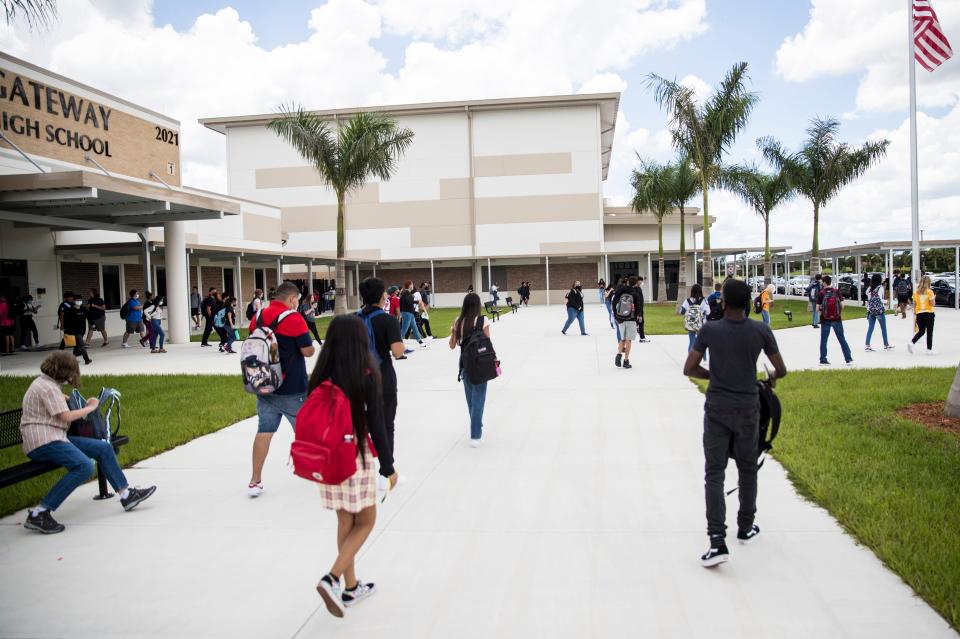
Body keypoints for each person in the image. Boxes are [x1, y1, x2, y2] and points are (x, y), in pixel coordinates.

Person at [683, 278, 787, 568]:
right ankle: (746, 526)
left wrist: (714, 376)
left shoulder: (710, 330)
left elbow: (688, 368)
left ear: (724, 302)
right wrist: (769, 380)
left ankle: (717, 540)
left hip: (717, 409)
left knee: (714, 473)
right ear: (748, 304)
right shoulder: (760, 330)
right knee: (747, 468)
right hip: (748, 409)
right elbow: (780, 369)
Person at [310, 315, 397, 617]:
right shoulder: (366, 373)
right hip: (354, 456)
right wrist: (388, 465)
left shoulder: (322, 373)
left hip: (327, 457)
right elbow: (377, 425)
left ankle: (351, 587)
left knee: (345, 522)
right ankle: (332, 578)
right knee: (367, 521)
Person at [19, 351, 156, 534]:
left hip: (56, 437)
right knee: (84, 467)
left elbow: (63, 402)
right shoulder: (47, 388)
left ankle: (126, 495)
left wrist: (82, 402)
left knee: (103, 448)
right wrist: (90, 408)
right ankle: (40, 512)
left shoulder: (46, 383)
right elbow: (65, 416)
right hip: (43, 443)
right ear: (64, 371)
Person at [247, 282, 316, 497]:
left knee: (264, 431)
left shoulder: (257, 317)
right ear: (293, 299)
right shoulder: (293, 318)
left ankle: (255, 481)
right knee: (306, 432)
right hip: (292, 388)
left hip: (264, 384)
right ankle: (313, 470)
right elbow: (307, 351)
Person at [358, 277, 406, 456]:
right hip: (382, 376)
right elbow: (397, 351)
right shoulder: (388, 320)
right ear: (381, 296)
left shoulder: (353, 318)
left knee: (361, 424)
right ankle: (386, 471)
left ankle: (358, 465)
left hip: (358, 377)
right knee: (386, 424)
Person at [448, 292, 490, 446]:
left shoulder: (458, 321)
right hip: (481, 365)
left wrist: (453, 331)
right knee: (478, 399)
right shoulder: (483, 319)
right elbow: (488, 342)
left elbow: (452, 345)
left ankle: (476, 424)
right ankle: (475, 435)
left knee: (471, 399)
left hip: (465, 365)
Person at [817, 275, 853, 366]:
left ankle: (823, 359)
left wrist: (823, 309)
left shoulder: (821, 293)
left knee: (824, 340)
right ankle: (848, 358)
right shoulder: (836, 291)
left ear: (825, 282)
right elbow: (842, 306)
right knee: (841, 338)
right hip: (837, 319)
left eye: (822, 282)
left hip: (825, 320)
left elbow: (817, 308)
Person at [612, 276, 642, 369]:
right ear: (635, 283)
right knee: (628, 340)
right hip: (631, 319)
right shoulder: (635, 292)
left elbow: (614, 302)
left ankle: (618, 355)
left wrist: (616, 315)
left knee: (622, 339)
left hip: (621, 318)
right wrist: (639, 316)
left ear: (628, 282)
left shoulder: (621, 290)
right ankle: (626, 361)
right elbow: (638, 306)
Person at [908, 275, 936, 355]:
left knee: (921, 331)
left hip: (919, 314)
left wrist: (915, 313)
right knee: (929, 332)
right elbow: (932, 304)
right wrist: (934, 299)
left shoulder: (916, 292)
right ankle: (929, 350)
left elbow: (915, 304)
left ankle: (912, 342)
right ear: (929, 283)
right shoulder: (930, 292)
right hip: (929, 313)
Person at [865, 273, 893, 352]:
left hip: (871, 310)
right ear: (879, 280)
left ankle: (867, 345)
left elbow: (867, 294)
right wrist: (887, 301)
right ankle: (886, 345)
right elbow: (880, 299)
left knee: (870, 328)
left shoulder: (870, 288)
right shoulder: (880, 288)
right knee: (883, 328)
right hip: (879, 311)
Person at [680, 284, 711, 353]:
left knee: (691, 341)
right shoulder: (704, 300)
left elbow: (682, 312)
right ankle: (704, 359)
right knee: (702, 342)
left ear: (692, 291)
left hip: (690, 324)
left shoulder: (687, 301)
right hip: (701, 323)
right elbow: (708, 312)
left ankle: (690, 357)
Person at [62, 294, 92, 365]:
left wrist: (92, 324)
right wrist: (66, 330)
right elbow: (66, 320)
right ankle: (86, 359)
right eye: (78, 300)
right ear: (74, 301)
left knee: (77, 347)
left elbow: (89, 317)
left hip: (82, 331)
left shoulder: (83, 309)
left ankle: (72, 360)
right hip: (74, 331)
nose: (79, 301)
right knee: (81, 345)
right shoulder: (70, 310)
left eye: (80, 300)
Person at [398, 281, 426, 348]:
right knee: (405, 328)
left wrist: (415, 301)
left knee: (415, 327)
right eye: (412, 284)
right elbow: (407, 301)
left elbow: (406, 301)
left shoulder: (407, 293)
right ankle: (398, 342)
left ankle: (420, 341)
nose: (413, 286)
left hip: (410, 313)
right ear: (409, 285)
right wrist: (416, 301)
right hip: (407, 313)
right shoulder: (406, 293)